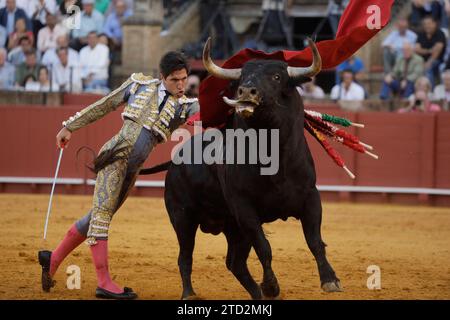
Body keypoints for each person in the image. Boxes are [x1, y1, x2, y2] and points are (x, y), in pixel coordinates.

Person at [38, 51, 200, 300]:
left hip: (131, 171)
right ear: (161, 77)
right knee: (101, 219)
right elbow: (105, 104)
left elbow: (209, 108)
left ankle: (52, 260)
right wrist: (69, 126)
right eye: (174, 80)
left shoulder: (184, 106)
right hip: (114, 158)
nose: (180, 85)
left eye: (183, 79)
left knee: (96, 217)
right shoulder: (138, 84)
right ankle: (104, 282)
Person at [415, 15, 446, 88]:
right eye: (425, 24)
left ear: (434, 24)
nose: (426, 26)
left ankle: (430, 91)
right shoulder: (421, 34)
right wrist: (429, 50)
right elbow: (416, 49)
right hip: (422, 60)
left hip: (437, 60)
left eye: (429, 23)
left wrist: (428, 62)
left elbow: (437, 51)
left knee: (428, 68)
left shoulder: (440, 33)